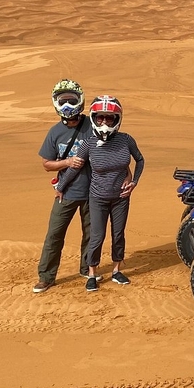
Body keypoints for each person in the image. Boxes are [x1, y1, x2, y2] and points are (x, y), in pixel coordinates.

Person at [55, 95, 145, 292]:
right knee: (96, 236)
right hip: (97, 198)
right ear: (94, 118)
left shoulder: (126, 140)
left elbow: (140, 160)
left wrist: (134, 181)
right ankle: (92, 273)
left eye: (109, 118)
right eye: (100, 118)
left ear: (117, 119)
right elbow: (75, 167)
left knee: (118, 234)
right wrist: (60, 186)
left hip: (121, 198)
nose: (104, 122)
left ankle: (116, 270)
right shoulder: (87, 144)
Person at [33, 79, 96, 293]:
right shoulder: (54, 132)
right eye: (63, 100)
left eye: (72, 100)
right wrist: (67, 162)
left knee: (91, 234)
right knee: (54, 235)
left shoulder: (93, 124)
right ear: (56, 103)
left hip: (93, 192)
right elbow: (46, 164)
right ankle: (46, 276)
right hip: (66, 192)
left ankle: (88, 269)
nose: (68, 105)